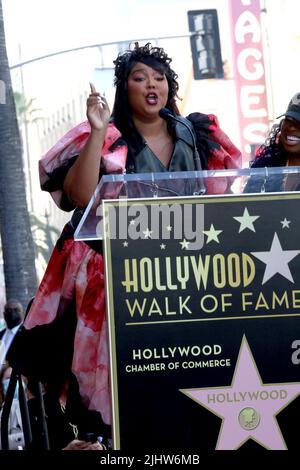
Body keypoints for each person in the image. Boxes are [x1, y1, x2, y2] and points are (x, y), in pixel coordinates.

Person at [13, 42, 241, 446]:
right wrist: (98, 129)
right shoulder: (107, 135)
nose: (152, 85)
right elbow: (80, 196)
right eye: (140, 78)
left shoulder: (198, 134)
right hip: (121, 282)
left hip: (187, 280)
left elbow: (220, 204)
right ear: (124, 88)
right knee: (126, 392)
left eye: (159, 78)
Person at [245, 92, 300, 193]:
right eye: (289, 120)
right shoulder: (267, 165)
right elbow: (244, 205)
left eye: (298, 122)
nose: (291, 127)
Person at [0, 300, 24, 369]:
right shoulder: (1, 334)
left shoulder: (27, 334)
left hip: (16, 376)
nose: (12, 313)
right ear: (4, 314)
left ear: (22, 313)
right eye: (9, 310)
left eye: (16, 310)